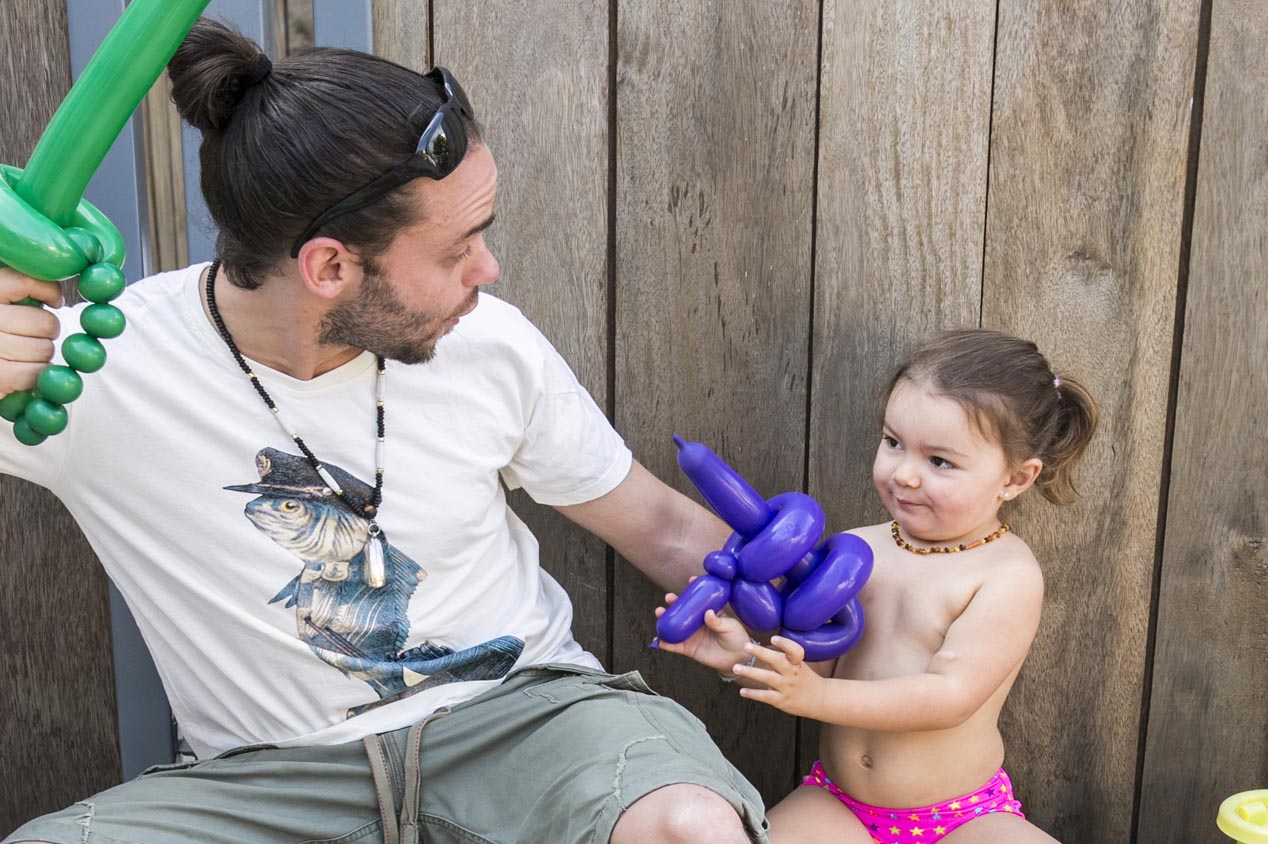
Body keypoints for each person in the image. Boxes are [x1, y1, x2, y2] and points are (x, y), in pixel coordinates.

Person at [0, 18, 769, 844]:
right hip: (270, 784)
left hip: (525, 727)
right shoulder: (95, 371)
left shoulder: (488, 343)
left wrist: (832, 624)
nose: (488, 270)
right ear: (329, 267)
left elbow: (660, 525)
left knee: (688, 825)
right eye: (456, 249)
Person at [657, 328, 1098, 844]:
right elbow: (813, 662)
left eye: (939, 461)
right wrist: (744, 659)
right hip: (838, 803)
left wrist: (816, 696)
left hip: (963, 816)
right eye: (893, 443)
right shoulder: (854, 552)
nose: (904, 473)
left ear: (1016, 479)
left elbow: (948, 698)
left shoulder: (1005, 575)